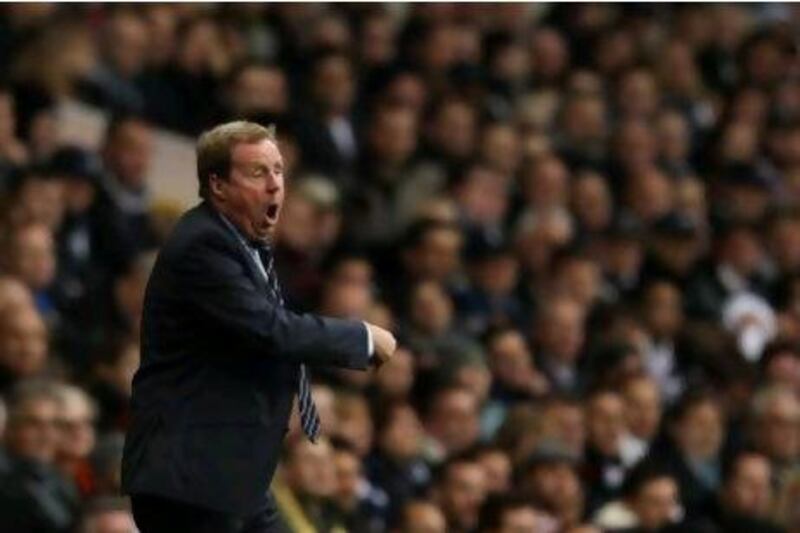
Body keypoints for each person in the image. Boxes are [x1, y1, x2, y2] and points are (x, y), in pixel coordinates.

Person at [121, 120, 397, 533]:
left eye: (279, 171)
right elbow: (271, 330)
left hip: (232, 474)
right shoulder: (204, 244)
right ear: (218, 186)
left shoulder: (243, 245)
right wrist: (360, 336)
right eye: (257, 172)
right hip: (191, 478)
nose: (274, 185)